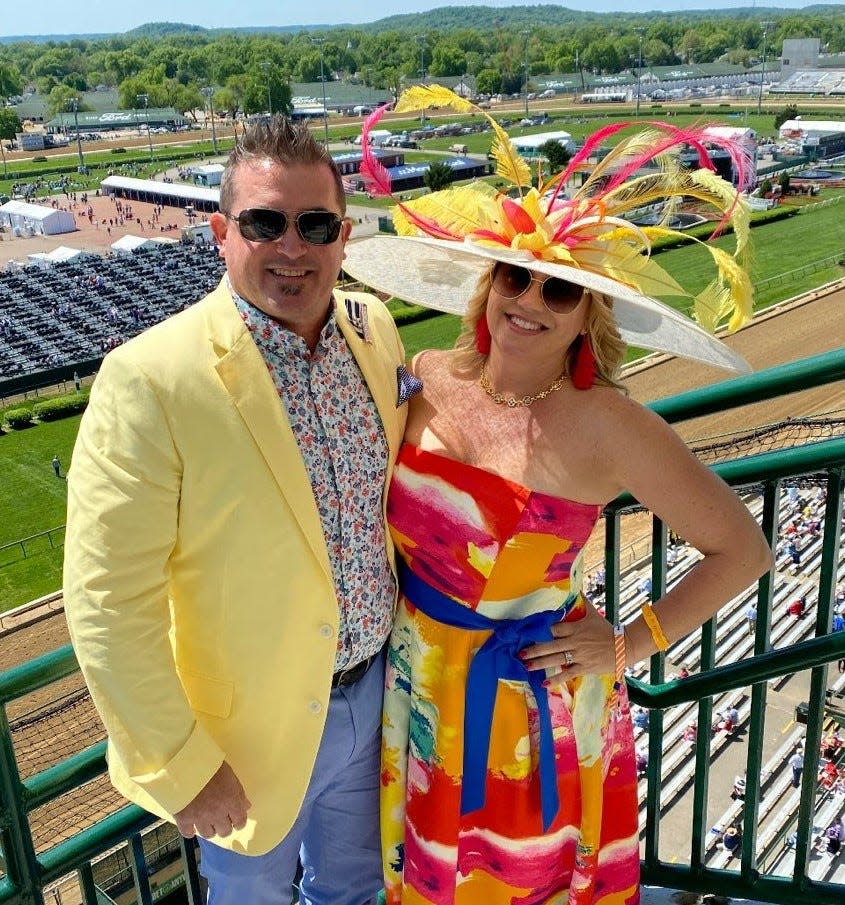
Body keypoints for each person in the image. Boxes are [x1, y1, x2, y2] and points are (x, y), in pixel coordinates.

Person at [343, 87, 772, 905]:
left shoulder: (611, 424)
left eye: (560, 291)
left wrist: (625, 645)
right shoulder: (426, 376)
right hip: (415, 684)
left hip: (526, 711)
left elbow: (742, 550)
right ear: (487, 281)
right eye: (515, 276)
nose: (529, 303)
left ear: (589, 317)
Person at [63, 117, 409, 905]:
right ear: (221, 231)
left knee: (355, 891)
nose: (293, 246)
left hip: (374, 689)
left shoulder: (373, 329)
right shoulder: (148, 378)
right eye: (264, 222)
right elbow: (108, 602)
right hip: (243, 739)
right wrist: (182, 766)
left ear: (343, 236)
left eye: (315, 224)